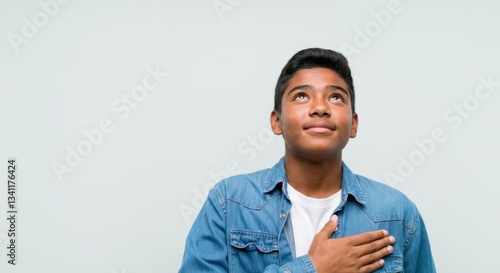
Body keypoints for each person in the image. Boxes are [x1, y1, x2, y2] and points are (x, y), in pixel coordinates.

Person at [179, 48, 436, 272]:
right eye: (301, 96)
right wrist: (314, 269)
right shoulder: (229, 203)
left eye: (336, 97)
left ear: (353, 125)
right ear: (276, 121)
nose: (320, 107)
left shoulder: (397, 213)